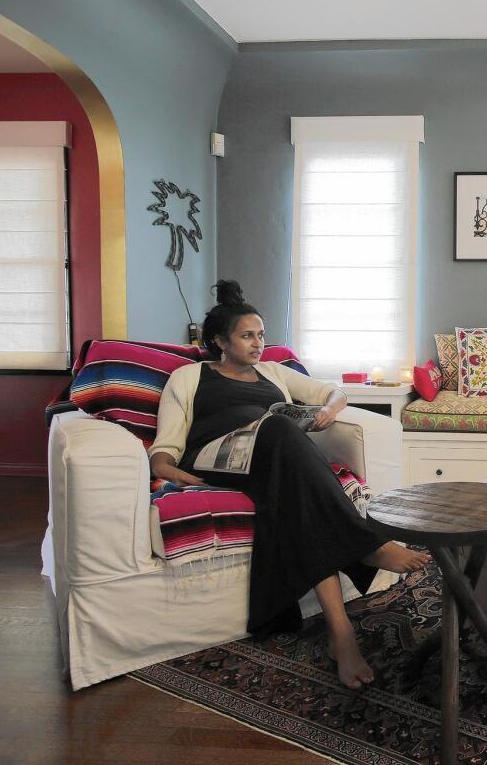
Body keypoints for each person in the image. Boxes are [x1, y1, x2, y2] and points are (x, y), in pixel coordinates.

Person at [149, 279, 430, 690]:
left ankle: (341, 633)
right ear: (219, 341)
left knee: (298, 493)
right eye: (247, 336)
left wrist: (331, 410)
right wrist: (176, 474)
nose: (258, 343)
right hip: (217, 457)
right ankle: (367, 545)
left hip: (270, 459)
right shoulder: (189, 377)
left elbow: (331, 391)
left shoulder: (273, 372)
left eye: (261, 335)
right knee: (281, 426)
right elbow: (166, 448)